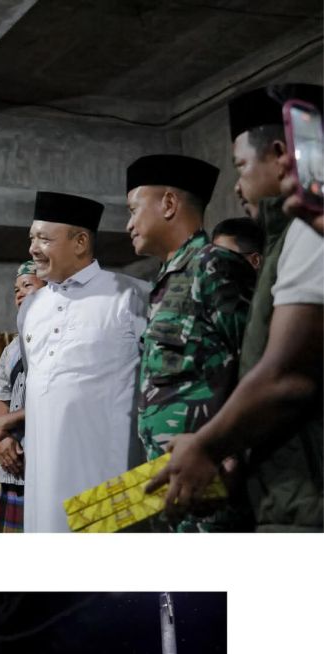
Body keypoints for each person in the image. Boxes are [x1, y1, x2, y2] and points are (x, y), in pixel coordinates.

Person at [147, 83, 323, 532]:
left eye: (242, 166)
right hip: (284, 490)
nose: (239, 186)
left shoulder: (307, 235)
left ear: (284, 152)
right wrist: (236, 453)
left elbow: (287, 378)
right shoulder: (290, 237)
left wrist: (207, 446)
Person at [126, 153, 256, 531]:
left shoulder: (214, 265)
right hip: (172, 484)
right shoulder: (164, 283)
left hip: (212, 485)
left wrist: (232, 456)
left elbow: (254, 363)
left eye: (133, 210)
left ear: (168, 204)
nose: (128, 224)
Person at [21, 191, 148, 533]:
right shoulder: (31, 308)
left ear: (80, 242)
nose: (33, 248)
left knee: (109, 579)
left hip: (110, 479)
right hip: (42, 481)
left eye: (44, 239)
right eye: (32, 238)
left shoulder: (132, 295)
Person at [0, 261, 44, 532]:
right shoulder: (11, 349)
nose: (19, 293)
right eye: (15, 289)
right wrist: (2, 439)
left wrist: (4, 424)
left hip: (47, 467)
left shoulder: (60, 337)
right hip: (14, 470)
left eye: (27, 285)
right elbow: (0, 399)